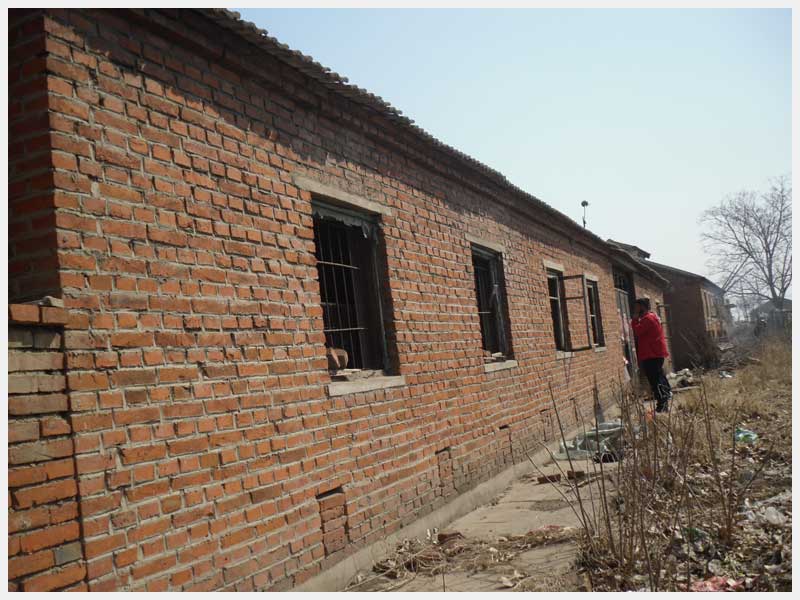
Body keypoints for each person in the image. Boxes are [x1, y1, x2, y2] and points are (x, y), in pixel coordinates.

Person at [631, 298, 672, 412]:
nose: (635, 309)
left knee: (654, 379)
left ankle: (662, 404)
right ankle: (665, 397)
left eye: (637, 307)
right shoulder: (652, 316)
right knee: (658, 376)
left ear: (642, 307)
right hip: (654, 353)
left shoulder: (648, 319)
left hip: (652, 354)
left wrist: (635, 320)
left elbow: (637, 331)